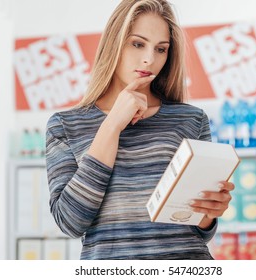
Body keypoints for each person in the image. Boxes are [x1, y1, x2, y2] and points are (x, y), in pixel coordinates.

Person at [46, 0, 235, 260]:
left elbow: (199, 230)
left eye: (161, 49)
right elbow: (69, 222)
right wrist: (111, 125)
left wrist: (207, 214)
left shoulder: (191, 119)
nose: (150, 59)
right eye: (138, 43)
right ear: (115, 42)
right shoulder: (64, 125)